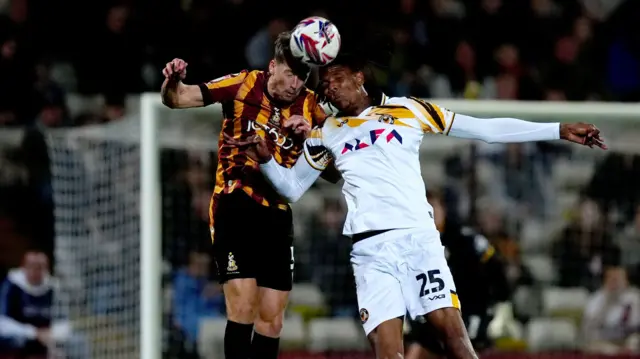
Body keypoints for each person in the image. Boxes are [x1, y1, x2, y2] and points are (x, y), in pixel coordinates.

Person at [226, 50, 606, 359]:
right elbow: (291, 189)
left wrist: (556, 129)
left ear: (359, 76)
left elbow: (484, 129)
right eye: (324, 85)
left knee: (454, 338)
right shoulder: (326, 132)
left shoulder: (409, 110)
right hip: (370, 252)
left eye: (335, 79)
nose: (329, 89)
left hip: (418, 241)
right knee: (388, 352)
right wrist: (266, 159)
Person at [161, 32, 332, 359]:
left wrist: (312, 139)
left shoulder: (311, 107)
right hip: (234, 201)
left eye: (303, 77)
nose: (296, 83)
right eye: (290, 74)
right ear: (272, 67)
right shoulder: (243, 84)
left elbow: (335, 170)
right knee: (243, 303)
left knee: (272, 319)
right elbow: (180, 98)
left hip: (278, 212)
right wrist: (172, 82)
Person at [404, 190, 516, 359]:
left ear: (443, 209)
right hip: (432, 314)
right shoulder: (412, 244)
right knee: (417, 350)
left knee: (461, 348)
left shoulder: (465, 239)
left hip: (470, 311)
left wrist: (502, 303)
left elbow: (496, 269)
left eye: (433, 207)